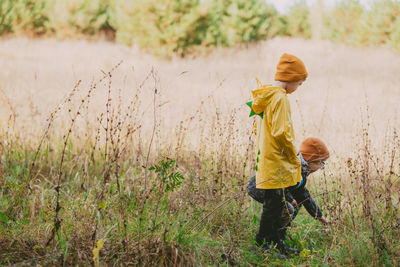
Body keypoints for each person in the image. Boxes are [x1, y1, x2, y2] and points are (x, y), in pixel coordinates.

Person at [247, 53, 307, 258]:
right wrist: (294, 155)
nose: (297, 88)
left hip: (268, 159)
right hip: (278, 162)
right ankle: (262, 244)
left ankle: (277, 243)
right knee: (272, 207)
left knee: (278, 203)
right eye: (298, 83)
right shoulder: (280, 99)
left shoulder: (267, 97)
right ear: (290, 79)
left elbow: (261, 130)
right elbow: (282, 132)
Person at [247, 137, 330, 252]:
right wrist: (290, 199)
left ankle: (278, 239)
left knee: (296, 203)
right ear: (311, 159)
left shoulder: (303, 172)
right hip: (261, 187)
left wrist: (319, 216)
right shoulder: (294, 166)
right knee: (286, 207)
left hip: (276, 189)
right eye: (321, 163)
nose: (321, 167)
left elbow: (304, 195)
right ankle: (266, 241)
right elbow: (281, 182)